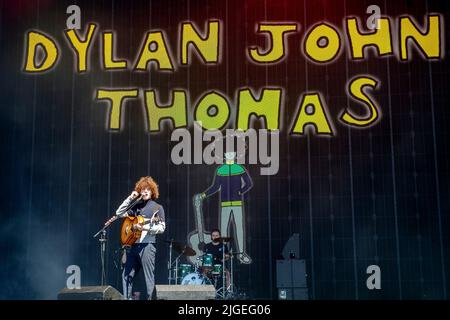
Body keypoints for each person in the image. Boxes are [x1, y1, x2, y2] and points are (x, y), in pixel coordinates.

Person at [106, 176, 165, 300]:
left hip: (147, 246)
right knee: (126, 275)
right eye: (142, 189)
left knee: (148, 278)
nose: (145, 191)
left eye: (147, 189)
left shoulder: (157, 207)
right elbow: (119, 213)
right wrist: (130, 198)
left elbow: (162, 227)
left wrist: (146, 228)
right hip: (133, 246)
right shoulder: (136, 207)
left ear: (152, 191)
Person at [198, 151, 253, 264]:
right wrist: (204, 194)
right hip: (225, 204)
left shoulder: (239, 168)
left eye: (231, 153)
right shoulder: (220, 170)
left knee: (239, 229)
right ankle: (224, 253)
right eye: (227, 153)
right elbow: (215, 187)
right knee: (223, 230)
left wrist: (240, 191)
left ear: (235, 156)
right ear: (224, 156)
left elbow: (249, 183)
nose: (229, 155)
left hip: (237, 203)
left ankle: (241, 253)